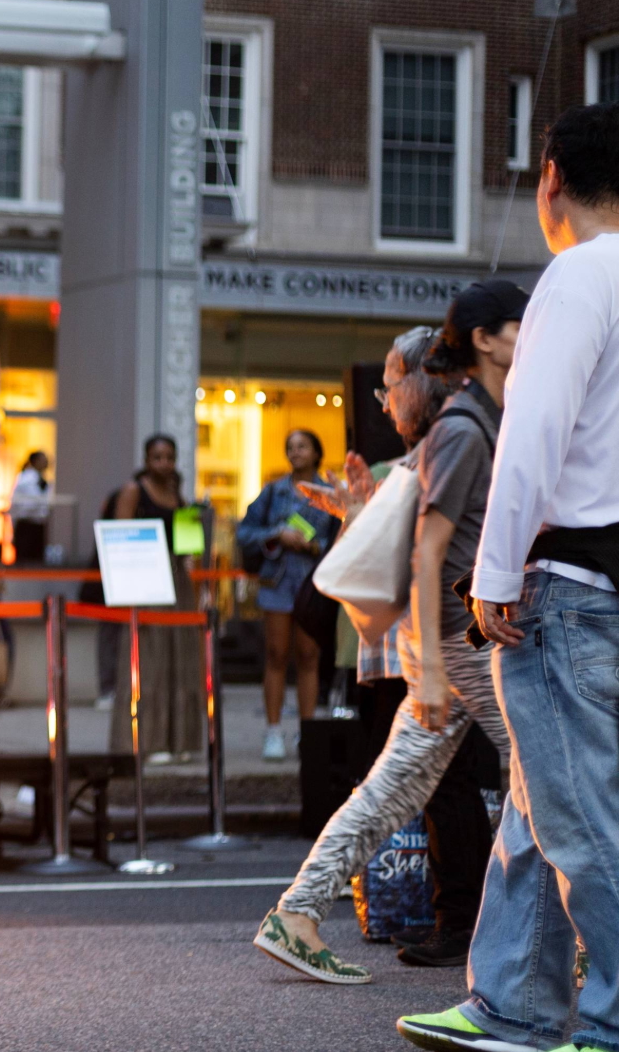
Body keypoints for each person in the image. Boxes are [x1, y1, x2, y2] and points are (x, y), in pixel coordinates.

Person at [400, 102, 619, 1052]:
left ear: (551, 180)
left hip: (564, 581)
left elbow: (532, 435)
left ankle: (598, 1018)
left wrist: (494, 572)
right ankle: (515, 1004)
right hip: (607, 580)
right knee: (542, 805)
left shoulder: (577, 275)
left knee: (578, 818)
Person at [253, 309, 518, 983]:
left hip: (444, 645)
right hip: (460, 643)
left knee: (390, 791)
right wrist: (432, 665)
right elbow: (426, 556)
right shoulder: (456, 436)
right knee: (546, 781)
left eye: (390, 385)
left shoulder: (434, 443)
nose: (386, 401)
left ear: (422, 383)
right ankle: (566, 947)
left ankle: (299, 910)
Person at [235, 429, 340, 760]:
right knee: (276, 654)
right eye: (291, 447)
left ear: (316, 452)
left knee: (309, 656)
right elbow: (244, 532)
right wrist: (277, 534)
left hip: (313, 581)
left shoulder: (329, 493)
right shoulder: (273, 492)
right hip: (277, 581)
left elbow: (344, 536)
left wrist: (313, 546)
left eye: (303, 446)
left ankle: (307, 732)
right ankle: (273, 731)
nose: (296, 452)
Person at [109, 435, 207, 763]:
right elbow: (120, 537)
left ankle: (177, 740)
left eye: (169, 457)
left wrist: (194, 525)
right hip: (145, 577)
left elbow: (187, 545)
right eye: (157, 457)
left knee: (178, 657)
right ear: (147, 459)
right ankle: (144, 740)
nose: (163, 463)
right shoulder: (134, 491)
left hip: (177, 580)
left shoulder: (177, 494)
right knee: (148, 658)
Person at [10, 450, 53, 563]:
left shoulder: (44, 480)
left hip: (39, 525)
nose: (47, 461)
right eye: (43, 458)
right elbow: (27, 503)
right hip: (26, 524)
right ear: (35, 461)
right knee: (25, 560)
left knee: (37, 560)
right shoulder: (25, 479)